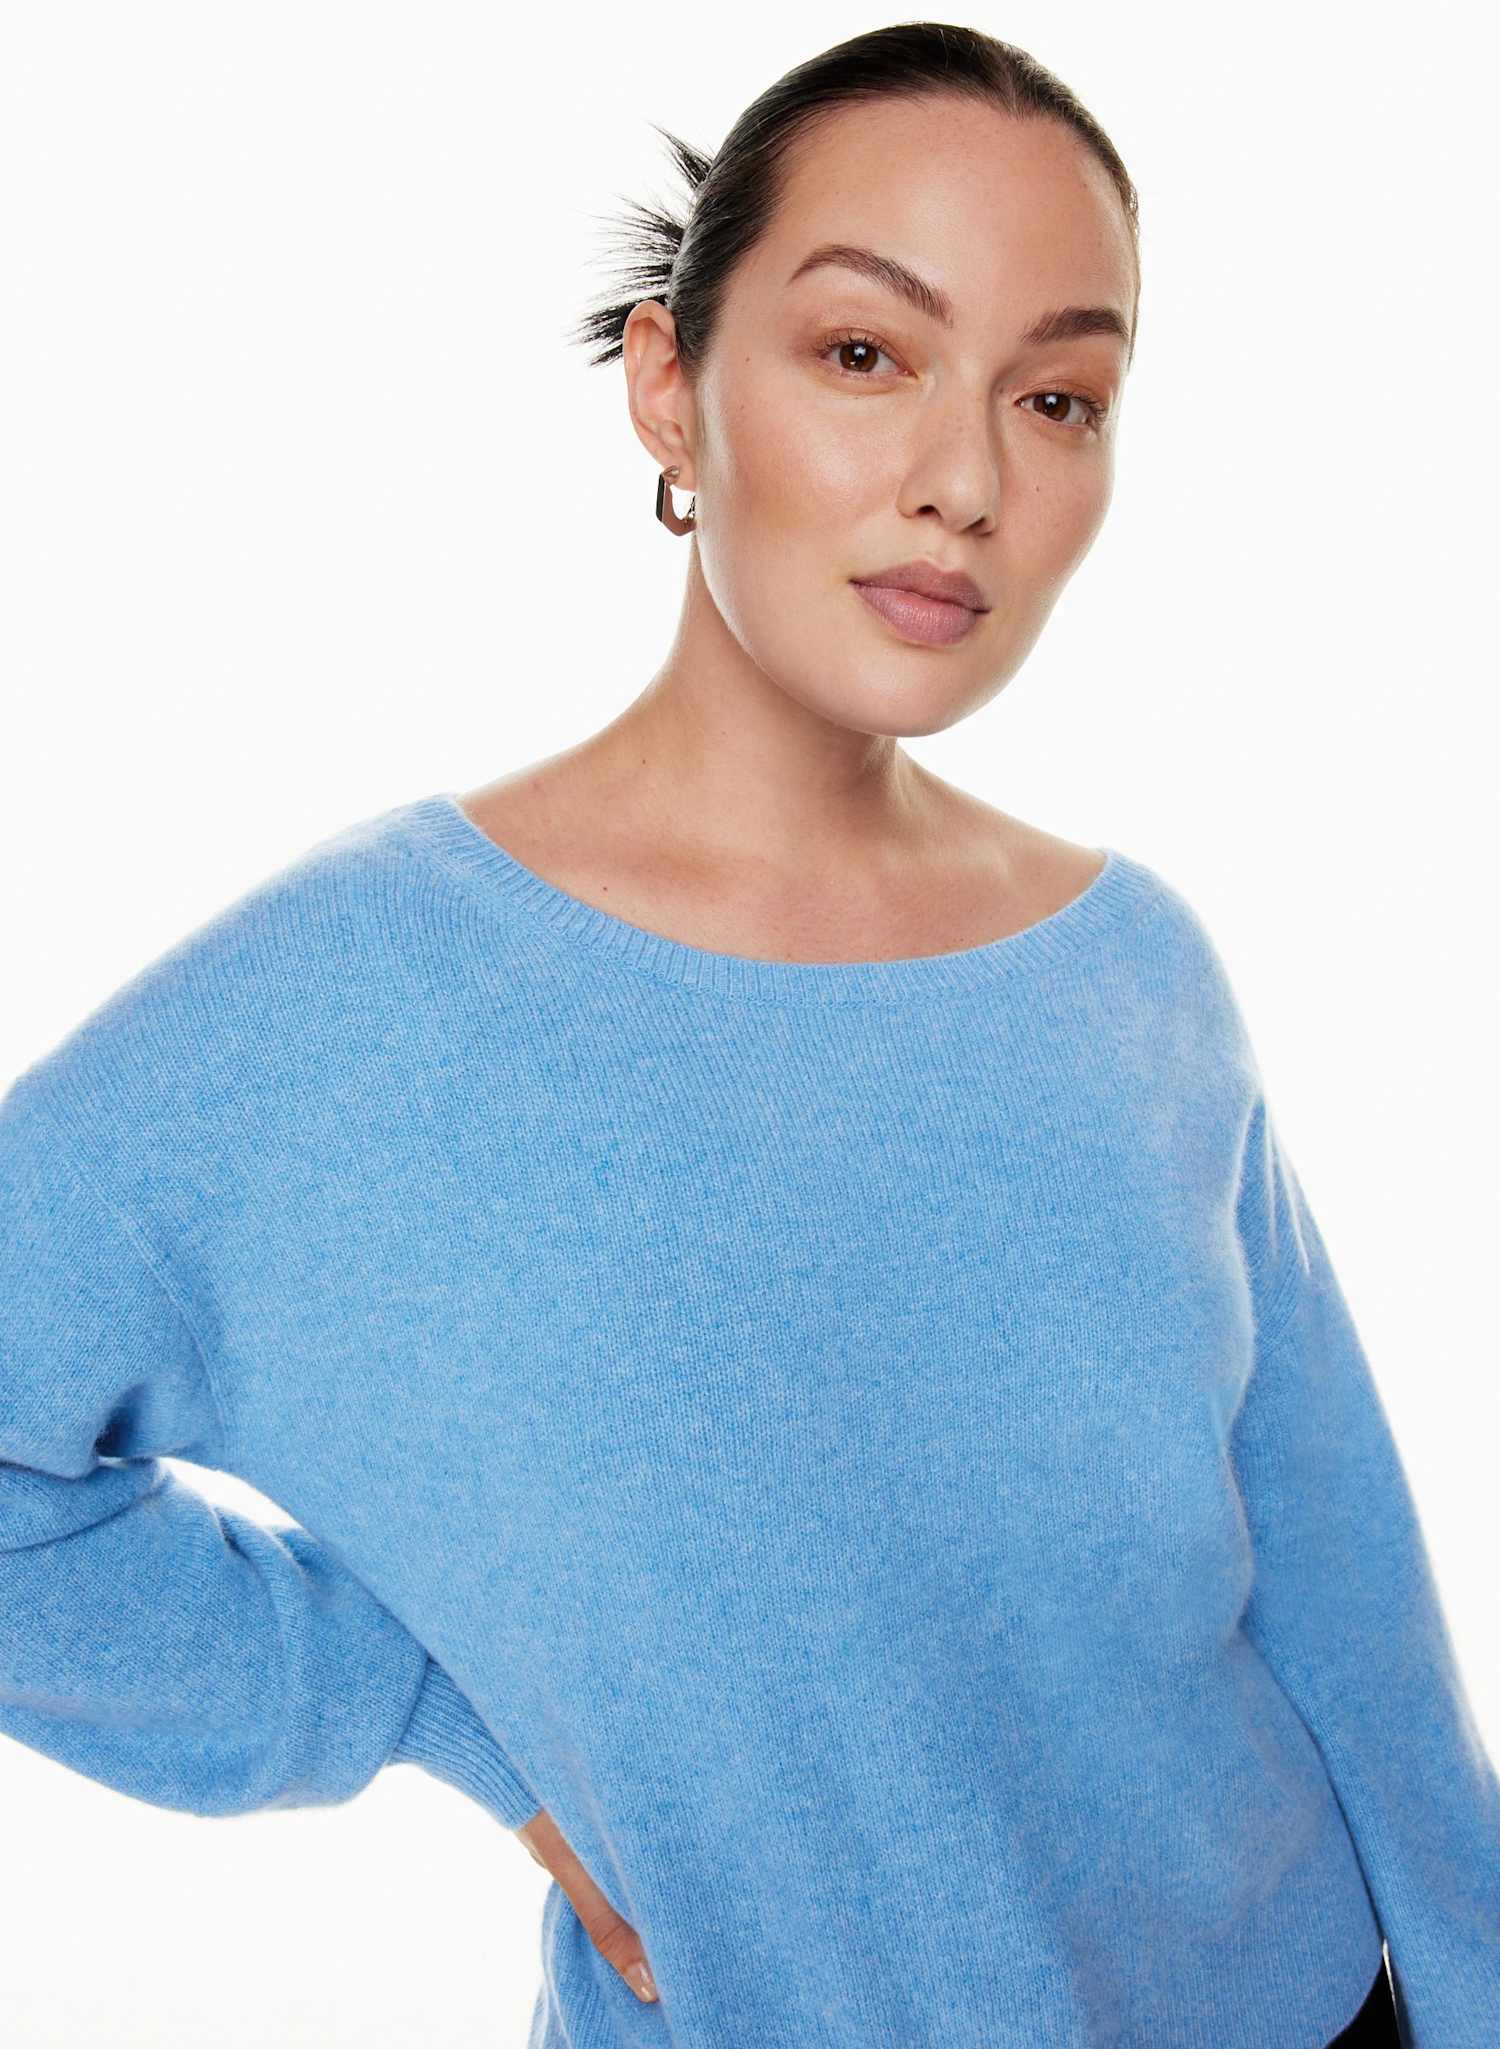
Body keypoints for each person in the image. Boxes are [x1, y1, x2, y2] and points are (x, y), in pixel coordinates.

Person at [1, 21, 1494, 2047]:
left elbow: (1351, 1611)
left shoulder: (1134, 965)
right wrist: (408, 1697)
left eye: (1058, 395)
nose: (967, 481)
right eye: (866, 352)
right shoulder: (356, 1000)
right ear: (669, 385)